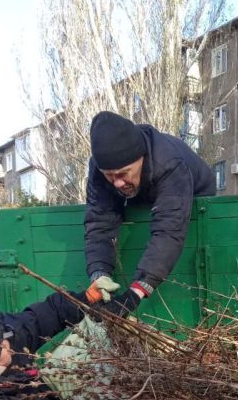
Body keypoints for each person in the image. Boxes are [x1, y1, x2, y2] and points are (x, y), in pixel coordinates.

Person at [85, 110, 216, 304]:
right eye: (110, 176)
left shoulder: (169, 163)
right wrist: (99, 275)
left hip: (194, 194)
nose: (117, 183)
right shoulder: (99, 168)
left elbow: (169, 230)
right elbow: (99, 221)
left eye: (123, 173)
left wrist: (135, 293)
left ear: (141, 158)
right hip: (145, 193)